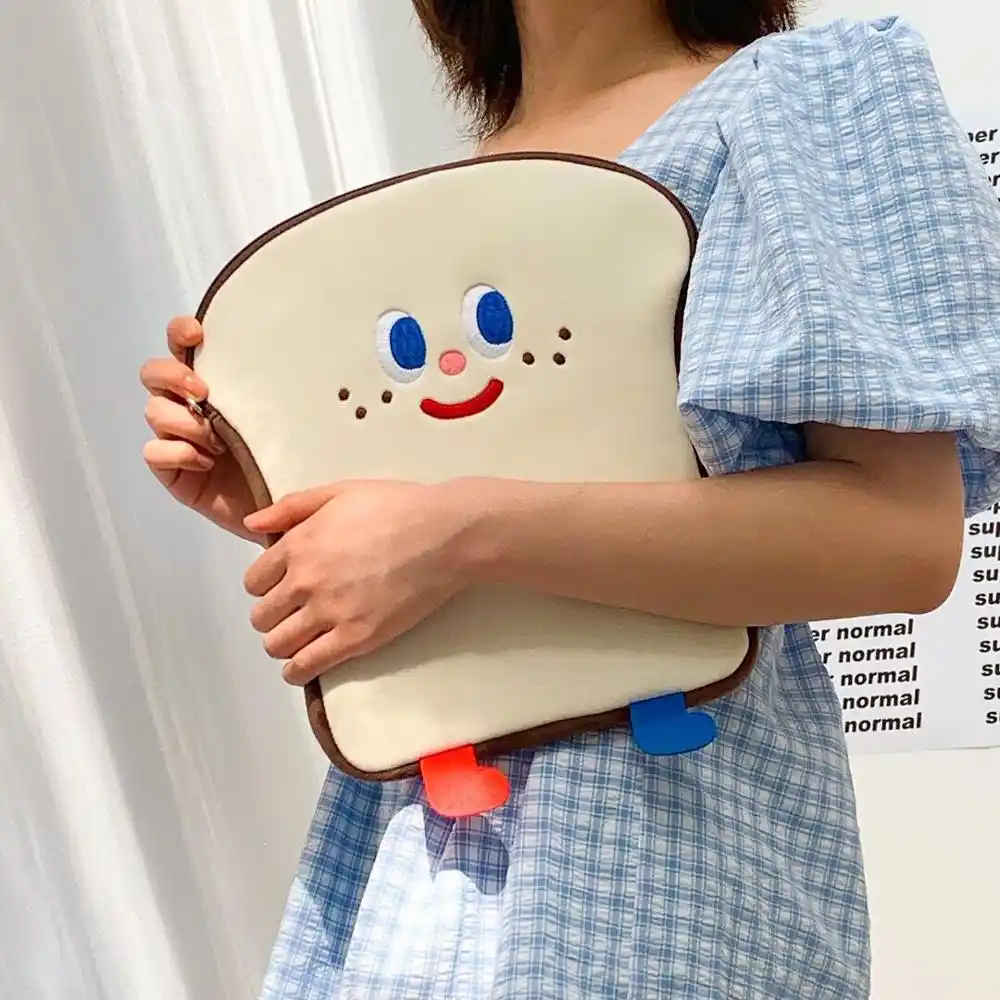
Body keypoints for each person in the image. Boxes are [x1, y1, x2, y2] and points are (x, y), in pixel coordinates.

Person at [139, 2, 1000, 997]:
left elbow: (899, 539)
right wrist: (273, 504)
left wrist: (460, 532)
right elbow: (448, 561)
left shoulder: (807, 96)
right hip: (413, 883)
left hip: (670, 874)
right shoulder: (452, 200)